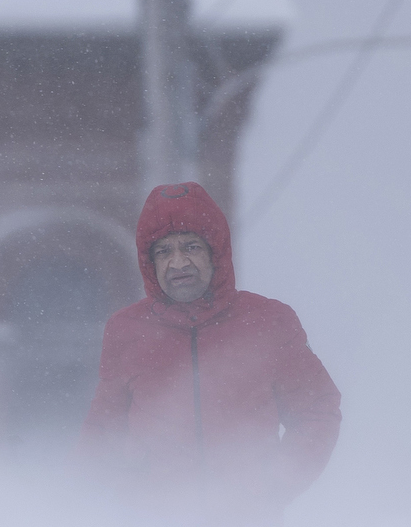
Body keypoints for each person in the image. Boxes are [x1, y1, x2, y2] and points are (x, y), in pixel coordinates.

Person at [79, 181, 340, 510]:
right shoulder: (127, 330)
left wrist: (274, 484)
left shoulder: (269, 322)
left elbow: (317, 412)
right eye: (164, 251)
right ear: (150, 263)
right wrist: (94, 504)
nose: (178, 263)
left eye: (191, 247)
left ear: (215, 252)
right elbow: (102, 433)